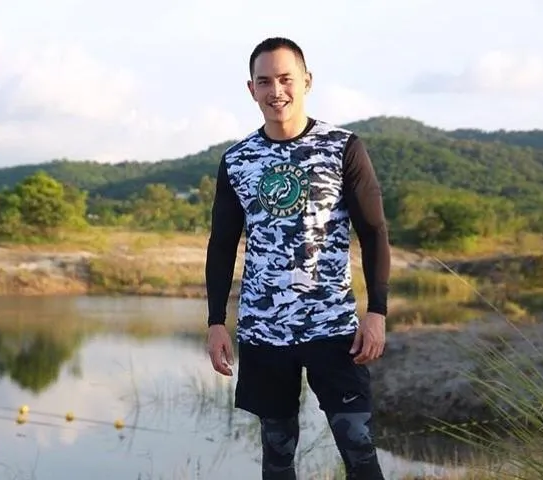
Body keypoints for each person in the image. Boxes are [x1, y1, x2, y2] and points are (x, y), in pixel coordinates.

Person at [204, 36, 391, 480]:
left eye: (286, 79)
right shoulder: (237, 161)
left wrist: (377, 312)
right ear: (251, 89)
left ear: (306, 81)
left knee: (358, 448)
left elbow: (373, 232)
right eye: (264, 81)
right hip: (263, 331)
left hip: (333, 327)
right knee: (277, 454)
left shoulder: (343, 147)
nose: (276, 91)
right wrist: (215, 321)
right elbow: (222, 244)